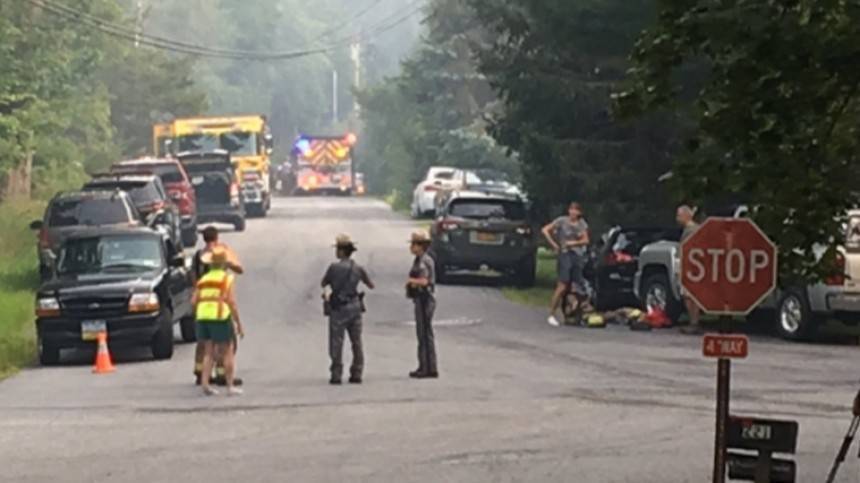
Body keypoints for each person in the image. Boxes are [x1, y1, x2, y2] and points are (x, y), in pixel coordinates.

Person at [192, 226, 244, 386]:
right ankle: (222, 375)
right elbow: (239, 269)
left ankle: (200, 373)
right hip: (220, 307)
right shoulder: (221, 254)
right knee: (226, 344)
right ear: (217, 237)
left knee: (204, 343)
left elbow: (193, 277)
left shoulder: (197, 256)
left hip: (202, 305)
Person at [321, 234, 375, 385]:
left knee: (336, 341)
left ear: (341, 251)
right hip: (355, 306)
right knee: (356, 341)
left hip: (338, 307)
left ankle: (336, 373)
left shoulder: (334, 268)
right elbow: (370, 284)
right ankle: (357, 372)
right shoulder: (358, 268)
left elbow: (323, 283)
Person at [542, 202, 590, 327]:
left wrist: (573, 243)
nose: (573, 212)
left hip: (577, 255)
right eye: (571, 210)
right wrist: (554, 244)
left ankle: (573, 314)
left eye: (576, 210)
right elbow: (545, 230)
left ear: (579, 213)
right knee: (562, 285)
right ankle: (551, 314)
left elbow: (586, 240)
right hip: (565, 254)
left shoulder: (581, 224)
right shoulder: (562, 221)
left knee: (577, 286)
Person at [406, 231, 438, 379]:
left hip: (424, 298)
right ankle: (429, 366)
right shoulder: (421, 259)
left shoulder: (423, 261)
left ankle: (426, 368)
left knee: (424, 333)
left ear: (421, 246)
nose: (411, 247)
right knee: (426, 333)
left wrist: (411, 282)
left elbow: (425, 281)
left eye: (414, 244)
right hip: (423, 298)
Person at [677, 205, 703, 335]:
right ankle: (693, 322)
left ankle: (694, 322)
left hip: (692, 269)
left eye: (679, 215)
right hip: (691, 268)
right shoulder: (691, 229)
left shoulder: (692, 230)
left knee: (690, 296)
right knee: (688, 296)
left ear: (687, 215)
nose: (677, 218)